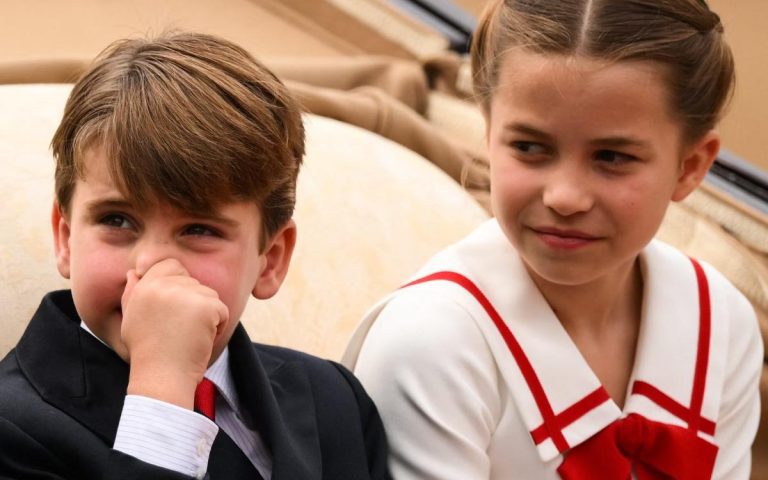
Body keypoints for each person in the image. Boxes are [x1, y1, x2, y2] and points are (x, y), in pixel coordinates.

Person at [343, 1, 763, 478]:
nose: (564, 197)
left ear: (690, 166)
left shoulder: (722, 324)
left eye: (612, 156)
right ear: (487, 134)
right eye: (529, 147)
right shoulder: (429, 344)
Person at [0, 32, 390, 480]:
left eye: (200, 230)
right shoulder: (13, 430)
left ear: (271, 259)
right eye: (116, 220)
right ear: (66, 238)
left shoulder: (332, 400)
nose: (150, 266)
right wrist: (163, 386)